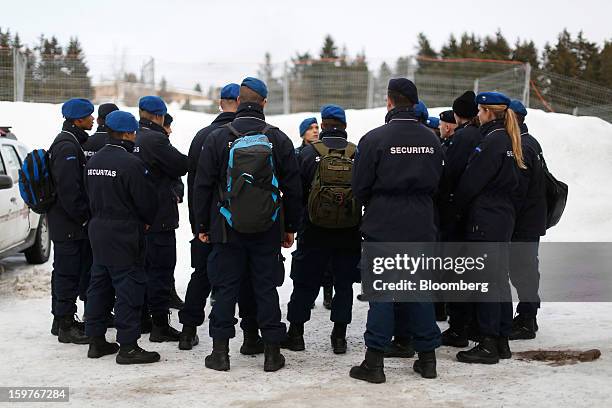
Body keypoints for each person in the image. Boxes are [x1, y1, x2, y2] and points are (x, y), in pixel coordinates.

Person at [194, 77, 302, 372]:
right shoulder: (277, 138)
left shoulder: (217, 138)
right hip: (267, 228)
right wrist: (290, 226)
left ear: (239, 102)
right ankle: (271, 354)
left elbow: (201, 186)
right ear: (264, 103)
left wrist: (201, 225)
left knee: (226, 287)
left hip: (226, 228)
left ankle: (220, 354)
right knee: (266, 288)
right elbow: (293, 188)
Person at [349, 78, 443, 383]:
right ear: (414, 104)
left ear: (390, 102)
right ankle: (428, 361)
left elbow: (359, 187)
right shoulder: (432, 140)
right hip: (419, 223)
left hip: (384, 225)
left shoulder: (374, 139)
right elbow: (440, 182)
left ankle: (374, 363)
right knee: (418, 292)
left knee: (382, 294)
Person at [179, 83, 264, 355]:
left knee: (202, 276)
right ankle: (251, 336)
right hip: (249, 223)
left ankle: (188, 331)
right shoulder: (259, 133)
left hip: (213, 223)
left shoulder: (204, 136)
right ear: (240, 102)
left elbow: (196, 184)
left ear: (220, 103)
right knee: (248, 281)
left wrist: (199, 224)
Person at [84, 110, 161, 364]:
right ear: (129, 133)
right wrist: (147, 220)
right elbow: (146, 201)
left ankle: (95, 340)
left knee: (99, 284)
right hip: (124, 231)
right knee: (128, 286)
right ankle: (128, 346)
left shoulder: (93, 162)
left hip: (98, 229)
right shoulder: (131, 163)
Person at [283, 104, 361, 355]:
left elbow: (295, 193)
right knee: (344, 284)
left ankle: (296, 334)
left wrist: (292, 226)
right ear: (345, 126)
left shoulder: (307, 153)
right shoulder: (356, 153)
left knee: (305, 281)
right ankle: (339, 337)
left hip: (313, 228)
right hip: (348, 229)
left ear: (323, 125)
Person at [452, 91, 523, 364]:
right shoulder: (509, 140)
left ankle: (488, 342)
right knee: (499, 280)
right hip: (503, 216)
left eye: (480, 111)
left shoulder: (491, 141)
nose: (477, 116)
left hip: (486, 218)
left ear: (488, 113)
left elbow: (471, 181)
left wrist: (456, 208)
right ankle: (502, 339)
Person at [134, 96, 188, 342]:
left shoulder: (131, 135)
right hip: (159, 218)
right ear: (159, 117)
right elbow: (180, 165)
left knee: (141, 270)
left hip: (136, 217)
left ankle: (143, 320)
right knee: (160, 273)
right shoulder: (156, 139)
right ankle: (160, 326)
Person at [437, 91, 483, 347]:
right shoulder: (481, 133)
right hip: (476, 215)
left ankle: (458, 328)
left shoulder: (463, 137)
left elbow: (450, 173)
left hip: (458, 215)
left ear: (457, 114)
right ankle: (474, 324)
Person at [48, 98, 94, 344]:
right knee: (67, 273)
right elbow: (68, 189)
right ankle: (65, 325)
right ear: (78, 120)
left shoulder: (70, 141)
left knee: (64, 271)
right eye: (89, 115)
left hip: (65, 222)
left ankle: (60, 320)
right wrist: (83, 217)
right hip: (68, 224)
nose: (93, 119)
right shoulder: (67, 146)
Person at [508, 100, 546, 340]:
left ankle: (527, 319)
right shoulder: (531, 142)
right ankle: (528, 315)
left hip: (523, 221)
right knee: (527, 269)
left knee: (523, 270)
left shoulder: (521, 145)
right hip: (531, 219)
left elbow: (518, 189)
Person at [295, 117, 333, 310]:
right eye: (310, 128)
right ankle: (308, 296)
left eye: (317, 127)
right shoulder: (298, 153)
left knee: (327, 260)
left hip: (326, 211)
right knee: (308, 258)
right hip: (306, 213)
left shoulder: (327, 151)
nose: (315, 131)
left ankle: (328, 294)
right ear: (303, 133)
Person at [161, 112, 186, 310]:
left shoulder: (167, 149)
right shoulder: (157, 146)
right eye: (168, 126)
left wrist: (176, 193)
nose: (170, 131)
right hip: (156, 217)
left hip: (166, 215)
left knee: (168, 261)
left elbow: (178, 179)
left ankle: (169, 292)